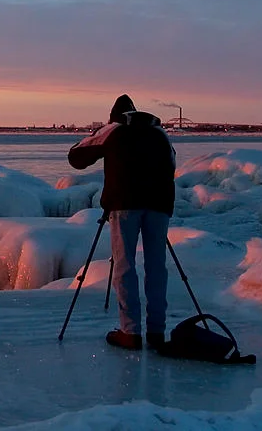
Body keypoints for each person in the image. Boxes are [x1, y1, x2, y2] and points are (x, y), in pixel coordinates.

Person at [68, 94, 176, 351]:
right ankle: (157, 332)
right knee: (156, 266)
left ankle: (131, 332)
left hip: (125, 204)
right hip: (159, 205)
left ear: (113, 117)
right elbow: (171, 164)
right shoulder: (160, 133)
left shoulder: (114, 130)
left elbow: (76, 157)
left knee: (125, 264)